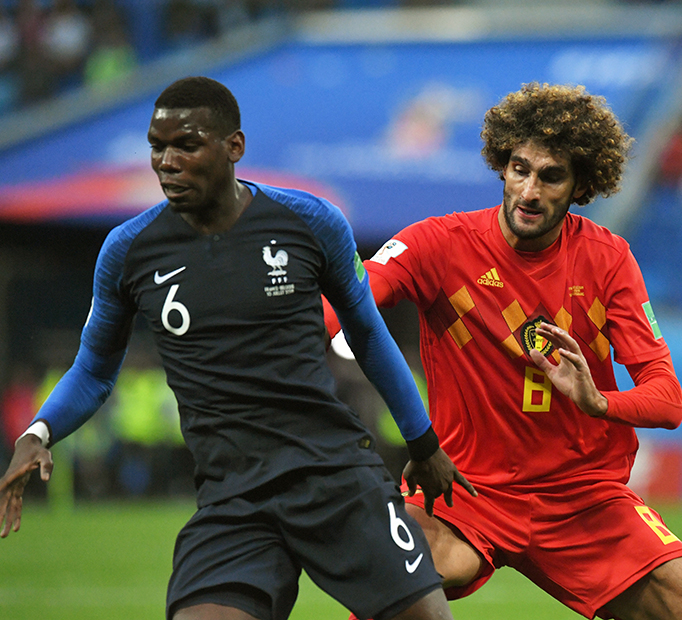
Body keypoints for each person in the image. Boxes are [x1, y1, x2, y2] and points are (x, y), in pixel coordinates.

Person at [0, 76, 475, 620]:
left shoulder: (310, 221)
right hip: (233, 499)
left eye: (186, 145)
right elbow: (94, 370)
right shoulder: (128, 251)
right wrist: (38, 433)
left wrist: (423, 443)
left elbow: (366, 333)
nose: (167, 163)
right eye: (157, 147)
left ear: (234, 146)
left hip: (336, 478)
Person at [326, 83, 682, 620]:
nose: (528, 191)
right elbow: (351, 298)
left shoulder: (609, 259)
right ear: (502, 165)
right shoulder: (437, 244)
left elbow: (668, 400)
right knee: (386, 593)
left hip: (583, 500)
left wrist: (599, 402)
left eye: (551, 176)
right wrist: (281, 335)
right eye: (519, 169)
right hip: (464, 493)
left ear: (581, 185)